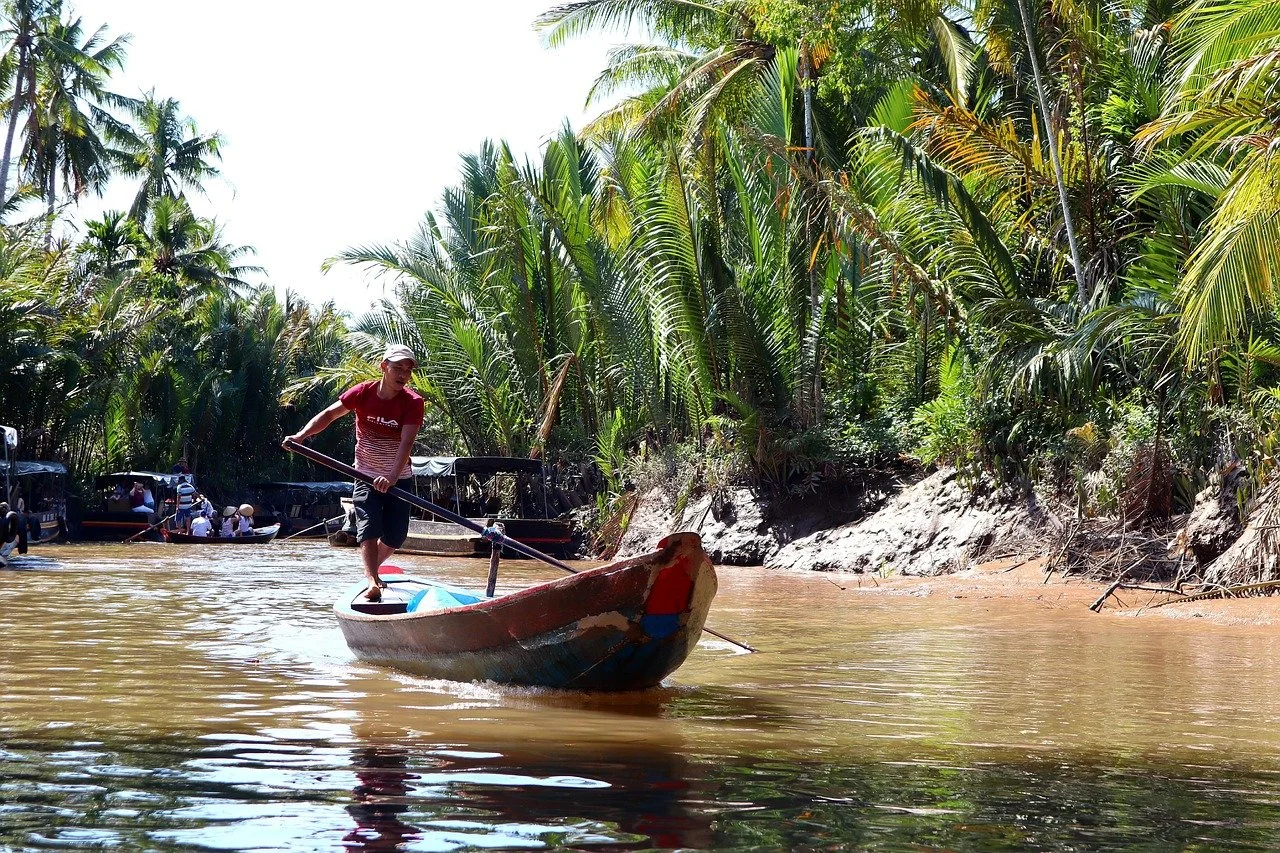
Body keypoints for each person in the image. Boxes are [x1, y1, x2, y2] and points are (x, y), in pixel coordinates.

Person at [285, 344, 424, 601]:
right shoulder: (363, 393)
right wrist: (301, 435)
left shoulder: (413, 402)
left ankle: (370, 569)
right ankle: (372, 580)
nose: (403, 374)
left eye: (407, 369)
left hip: (398, 477)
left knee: (397, 535)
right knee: (368, 528)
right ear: (384, 367)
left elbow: (406, 442)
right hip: (365, 475)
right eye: (397, 368)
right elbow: (329, 414)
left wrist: (392, 478)